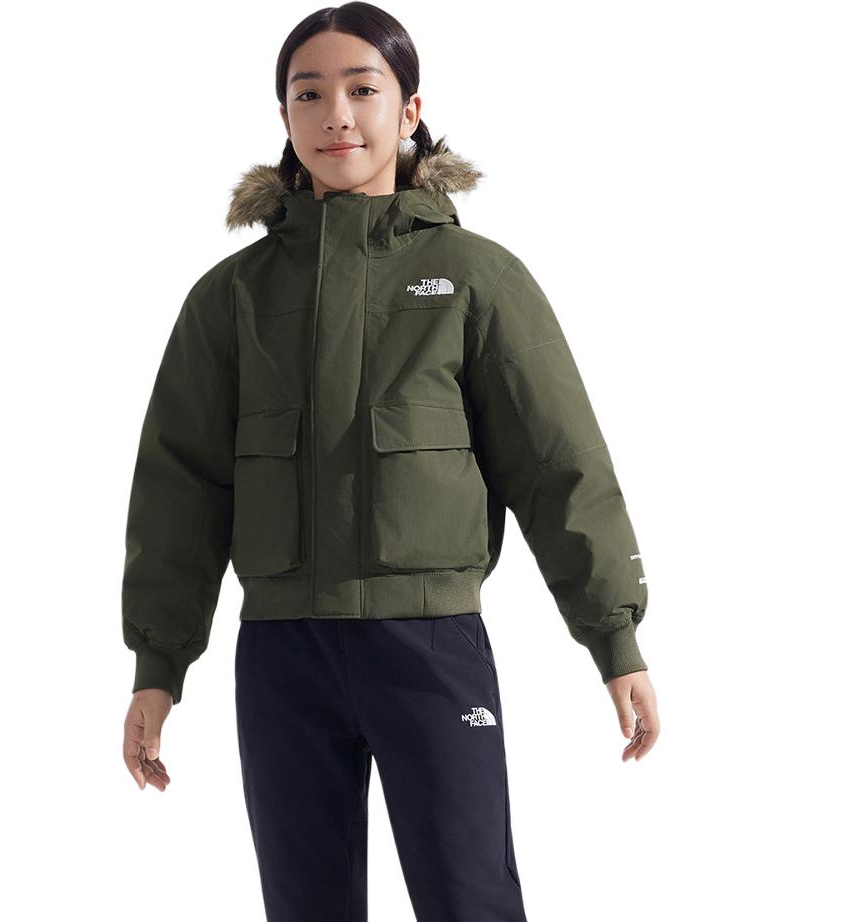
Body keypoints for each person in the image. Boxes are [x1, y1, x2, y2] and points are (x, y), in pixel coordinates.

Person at [120, 3, 660, 919]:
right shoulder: (232, 299)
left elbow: (559, 465)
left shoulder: (475, 278)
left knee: (469, 898)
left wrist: (614, 637)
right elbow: (181, 488)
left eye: (363, 89)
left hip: (428, 645)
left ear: (408, 110)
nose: (337, 114)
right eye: (309, 94)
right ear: (284, 116)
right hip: (283, 654)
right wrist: (157, 663)